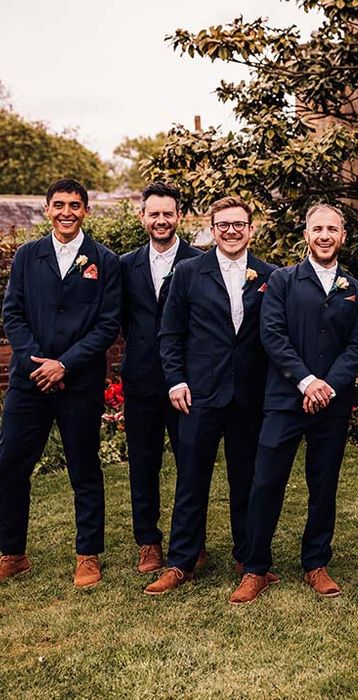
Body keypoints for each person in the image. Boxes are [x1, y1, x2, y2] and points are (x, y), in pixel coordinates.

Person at [230, 203, 358, 604]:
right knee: (266, 483)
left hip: (332, 405)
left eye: (332, 229)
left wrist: (328, 387)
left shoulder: (355, 289)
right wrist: (306, 383)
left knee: (323, 485)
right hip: (285, 401)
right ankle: (255, 567)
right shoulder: (283, 281)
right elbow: (271, 335)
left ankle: (316, 564)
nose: (325, 235)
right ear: (306, 235)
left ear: (343, 236)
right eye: (317, 228)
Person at [144, 196, 276, 595]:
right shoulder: (188, 273)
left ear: (251, 229)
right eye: (223, 225)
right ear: (212, 228)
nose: (231, 231)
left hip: (249, 394)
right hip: (199, 392)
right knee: (191, 479)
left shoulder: (270, 275)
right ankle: (181, 561)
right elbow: (170, 334)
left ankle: (248, 556)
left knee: (246, 478)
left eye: (239, 224)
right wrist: (176, 380)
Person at [0, 178, 121, 588]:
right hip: (28, 382)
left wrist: (65, 364)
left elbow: (107, 326)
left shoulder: (104, 261)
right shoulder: (27, 256)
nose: (66, 212)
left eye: (74, 205)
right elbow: (12, 313)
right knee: (10, 465)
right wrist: (37, 362)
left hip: (79, 384)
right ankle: (13, 553)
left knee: (84, 470)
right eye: (59, 205)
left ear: (86, 210)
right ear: (46, 209)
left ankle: (88, 555)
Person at [120, 182, 202, 574]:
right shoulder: (124, 265)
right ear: (142, 217)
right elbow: (121, 321)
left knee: (192, 464)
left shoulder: (200, 261)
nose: (161, 220)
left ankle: (192, 542)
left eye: (168, 213)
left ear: (179, 217)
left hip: (187, 383)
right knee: (143, 464)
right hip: (140, 382)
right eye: (154, 213)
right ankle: (148, 543)